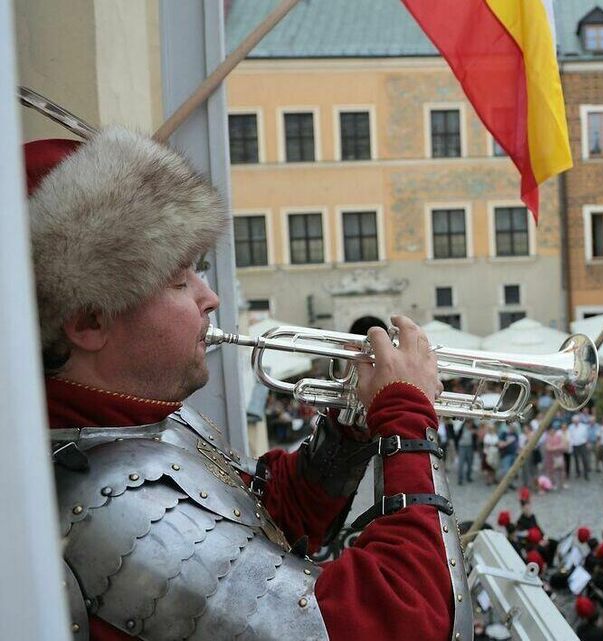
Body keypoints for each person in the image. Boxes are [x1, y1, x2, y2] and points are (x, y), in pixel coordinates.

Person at [25, 128, 458, 639]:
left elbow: (268, 520)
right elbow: (406, 620)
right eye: (179, 280)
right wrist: (407, 419)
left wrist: (347, 431)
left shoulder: (149, 421)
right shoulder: (117, 515)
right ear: (90, 322)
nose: (209, 297)